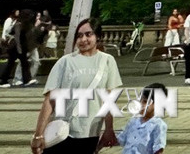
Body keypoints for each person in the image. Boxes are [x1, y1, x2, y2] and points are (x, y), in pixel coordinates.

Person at [30, 17, 122, 154]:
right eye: (79, 36)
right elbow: (50, 100)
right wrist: (38, 134)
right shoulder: (65, 62)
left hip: (90, 133)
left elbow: (108, 100)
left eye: (88, 34)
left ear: (98, 36)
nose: (83, 39)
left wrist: (109, 129)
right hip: (62, 133)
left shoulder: (108, 61)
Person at [116, 82, 168, 154]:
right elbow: (121, 138)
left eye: (145, 102)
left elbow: (158, 149)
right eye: (140, 101)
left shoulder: (158, 125)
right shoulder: (133, 121)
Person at [0, 9, 37, 87]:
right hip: (15, 47)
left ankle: (26, 80)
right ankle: (3, 81)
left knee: (23, 64)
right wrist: (20, 50)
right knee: (12, 64)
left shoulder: (22, 23)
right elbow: (17, 38)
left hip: (19, 48)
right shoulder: (19, 24)